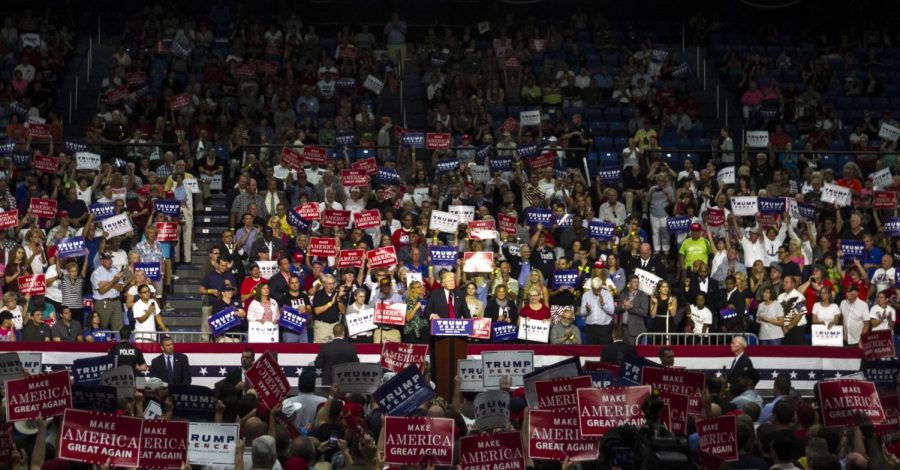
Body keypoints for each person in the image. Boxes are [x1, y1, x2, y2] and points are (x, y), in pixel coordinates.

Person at [90, 252, 125, 331]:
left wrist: (107, 283)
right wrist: (114, 280)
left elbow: (121, 288)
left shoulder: (115, 271)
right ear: (101, 261)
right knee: (102, 326)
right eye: (107, 259)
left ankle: (119, 343)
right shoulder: (96, 273)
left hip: (116, 302)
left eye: (110, 259)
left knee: (118, 329)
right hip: (103, 303)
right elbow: (102, 291)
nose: (110, 261)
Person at [580, 277, 615, 344]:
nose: (596, 292)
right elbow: (582, 313)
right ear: (591, 287)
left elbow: (612, 311)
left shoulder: (608, 295)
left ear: (601, 286)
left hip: (604, 328)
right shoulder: (586, 295)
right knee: (592, 351)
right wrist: (587, 310)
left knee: (605, 350)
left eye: (598, 289)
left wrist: (603, 304)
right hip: (590, 328)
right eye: (594, 289)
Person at [616, 275, 650, 345]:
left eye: (638, 282)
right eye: (634, 282)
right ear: (629, 284)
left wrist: (631, 308)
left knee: (632, 352)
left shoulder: (643, 295)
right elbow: (616, 310)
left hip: (635, 329)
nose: (637, 284)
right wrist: (624, 306)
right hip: (623, 328)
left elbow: (644, 312)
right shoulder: (623, 295)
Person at [311, 274, 345, 343]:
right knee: (319, 349)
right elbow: (317, 311)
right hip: (322, 326)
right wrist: (330, 303)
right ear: (324, 284)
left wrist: (339, 300)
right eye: (329, 284)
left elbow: (343, 311)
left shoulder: (337, 294)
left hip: (335, 326)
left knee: (335, 350)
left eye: (333, 284)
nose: (331, 286)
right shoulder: (318, 294)